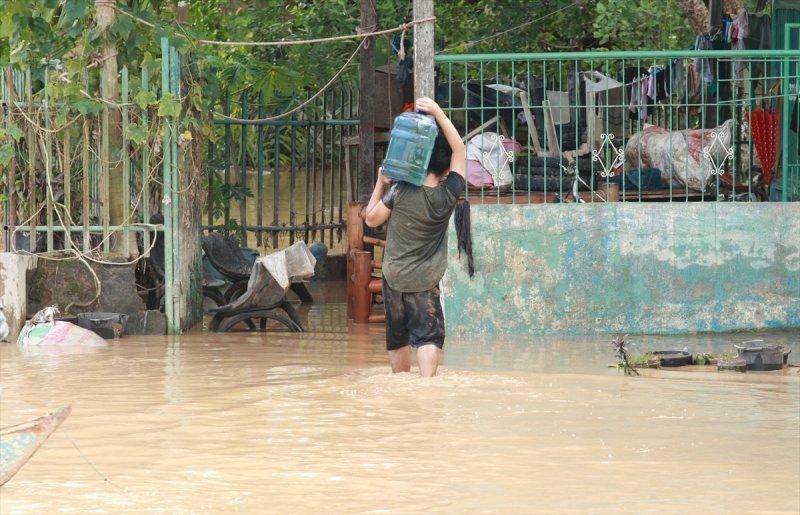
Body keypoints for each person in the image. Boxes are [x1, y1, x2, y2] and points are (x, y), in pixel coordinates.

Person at [364, 97, 466, 378]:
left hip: (394, 276)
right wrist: (438, 112)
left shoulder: (399, 191)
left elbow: (370, 219)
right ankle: (427, 386)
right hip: (425, 279)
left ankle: (400, 385)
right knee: (428, 335)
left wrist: (380, 183)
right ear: (446, 169)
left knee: (397, 336)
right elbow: (459, 148)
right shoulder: (447, 195)